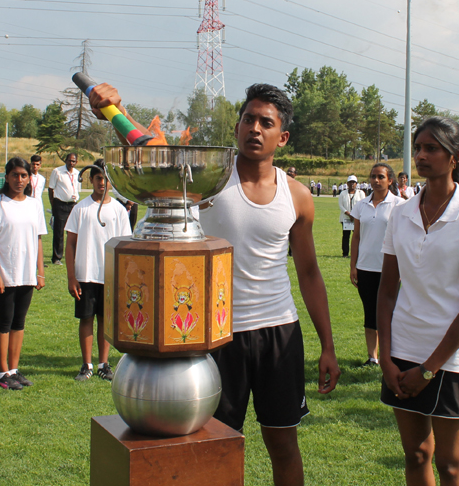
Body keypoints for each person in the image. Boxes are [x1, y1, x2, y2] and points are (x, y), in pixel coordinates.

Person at [89, 81, 339, 486]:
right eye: (248, 119)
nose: (255, 128)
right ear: (237, 127)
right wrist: (114, 110)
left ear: (283, 136)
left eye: (266, 123)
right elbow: (152, 152)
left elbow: (309, 273)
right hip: (216, 335)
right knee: (214, 446)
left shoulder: (297, 196)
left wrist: (327, 346)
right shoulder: (205, 181)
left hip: (279, 333)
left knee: (283, 443)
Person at [378, 117, 459, 486]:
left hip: (451, 357)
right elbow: (387, 291)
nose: (421, 156)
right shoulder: (401, 213)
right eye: (418, 148)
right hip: (402, 352)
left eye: (432, 148)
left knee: (449, 462)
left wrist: (429, 370)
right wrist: (386, 358)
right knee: (415, 454)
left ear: (455, 156)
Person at [0, 157, 47, 391]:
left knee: (19, 323)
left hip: (26, 274)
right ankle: (2, 372)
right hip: (5, 274)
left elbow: (38, 239)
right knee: (4, 321)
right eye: (15, 175)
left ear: (29, 178)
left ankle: (14, 369)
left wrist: (40, 272)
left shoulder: (34, 204)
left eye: (23, 175)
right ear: (6, 177)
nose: (19, 180)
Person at [65, 161, 132, 381]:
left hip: (110, 276)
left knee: (105, 319)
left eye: (106, 179)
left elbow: (125, 245)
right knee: (86, 318)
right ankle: (87, 364)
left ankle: (104, 364)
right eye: (98, 178)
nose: (102, 183)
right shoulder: (80, 208)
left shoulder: (119, 210)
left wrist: (122, 277)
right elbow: (70, 244)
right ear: (91, 180)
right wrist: (72, 277)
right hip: (85, 274)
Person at [349, 164, 404, 367]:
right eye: (373, 176)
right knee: (370, 312)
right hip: (365, 268)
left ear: (390, 180)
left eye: (381, 177)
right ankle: (373, 357)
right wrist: (353, 265)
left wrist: (401, 268)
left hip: (389, 269)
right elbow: (356, 236)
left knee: (390, 313)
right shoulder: (361, 205)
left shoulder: (399, 205)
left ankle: (391, 356)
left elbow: (403, 239)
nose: (376, 180)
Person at [47, 153, 80, 266]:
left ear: (76, 162)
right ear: (65, 160)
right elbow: (51, 188)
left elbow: (76, 188)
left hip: (73, 205)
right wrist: (53, 204)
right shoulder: (57, 172)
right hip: (60, 204)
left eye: (73, 161)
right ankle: (57, 258)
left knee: (73, 232)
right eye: (69, 160)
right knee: (59, 232)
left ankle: (73, 256)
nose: (71, 163)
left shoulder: (77, 173)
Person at [337, 175, 365, 257]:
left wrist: (355, 214)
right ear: (347, 183)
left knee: (357, 236)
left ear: (356, 184)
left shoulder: (360, 193)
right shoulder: (343, 193)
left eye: (353, 182)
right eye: (350, 182)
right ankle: (345, 253)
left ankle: (358, 253)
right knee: (346, 236)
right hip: (346, 218)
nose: (352, 184)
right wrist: (347, 213)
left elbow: (363, 204)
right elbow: (340, 205)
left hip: (357, 218)